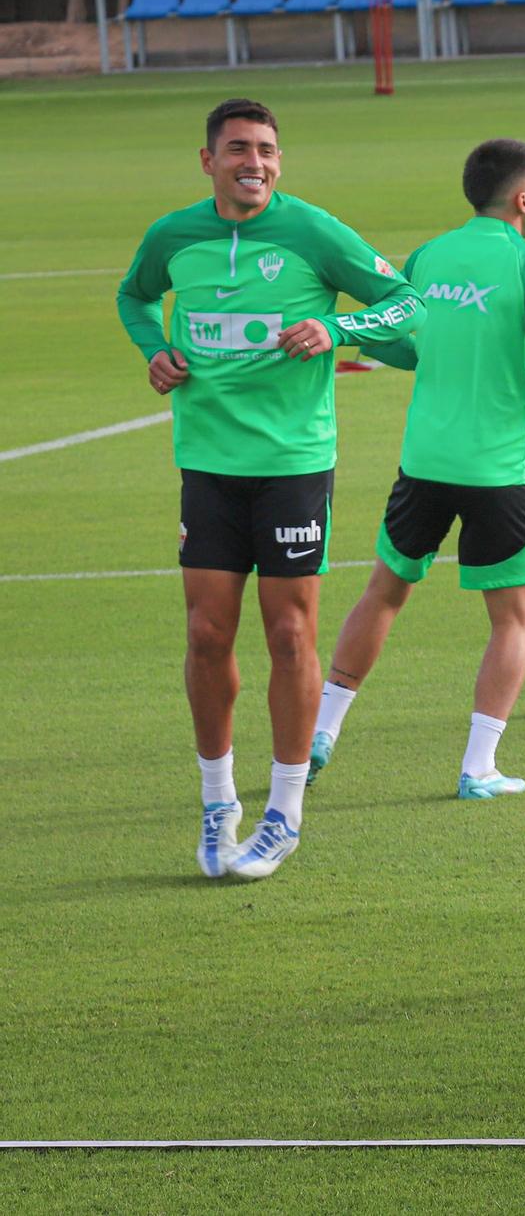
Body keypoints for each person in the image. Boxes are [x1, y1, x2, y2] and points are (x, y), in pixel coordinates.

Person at [115, 97, 424, 880]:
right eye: (239, 150)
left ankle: (284, 811)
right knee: (206, 636)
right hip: (208, 465)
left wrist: (339, 330)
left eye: (268, 151)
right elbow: (134, 295)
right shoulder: (174, 236)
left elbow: (408, 300)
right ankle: (219, 802)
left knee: (290, 635)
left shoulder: (313, 231)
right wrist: (155, 347)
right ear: (208, 159)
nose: (256, 163)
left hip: (292, 463)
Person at [308, 140, 525, 799]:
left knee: (384, 591)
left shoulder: (428, 257)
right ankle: (477, 766)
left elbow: (400, 343)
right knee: (512, 620)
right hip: (496, 472)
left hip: (423, 463)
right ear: (521, 198)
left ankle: (322, 730)